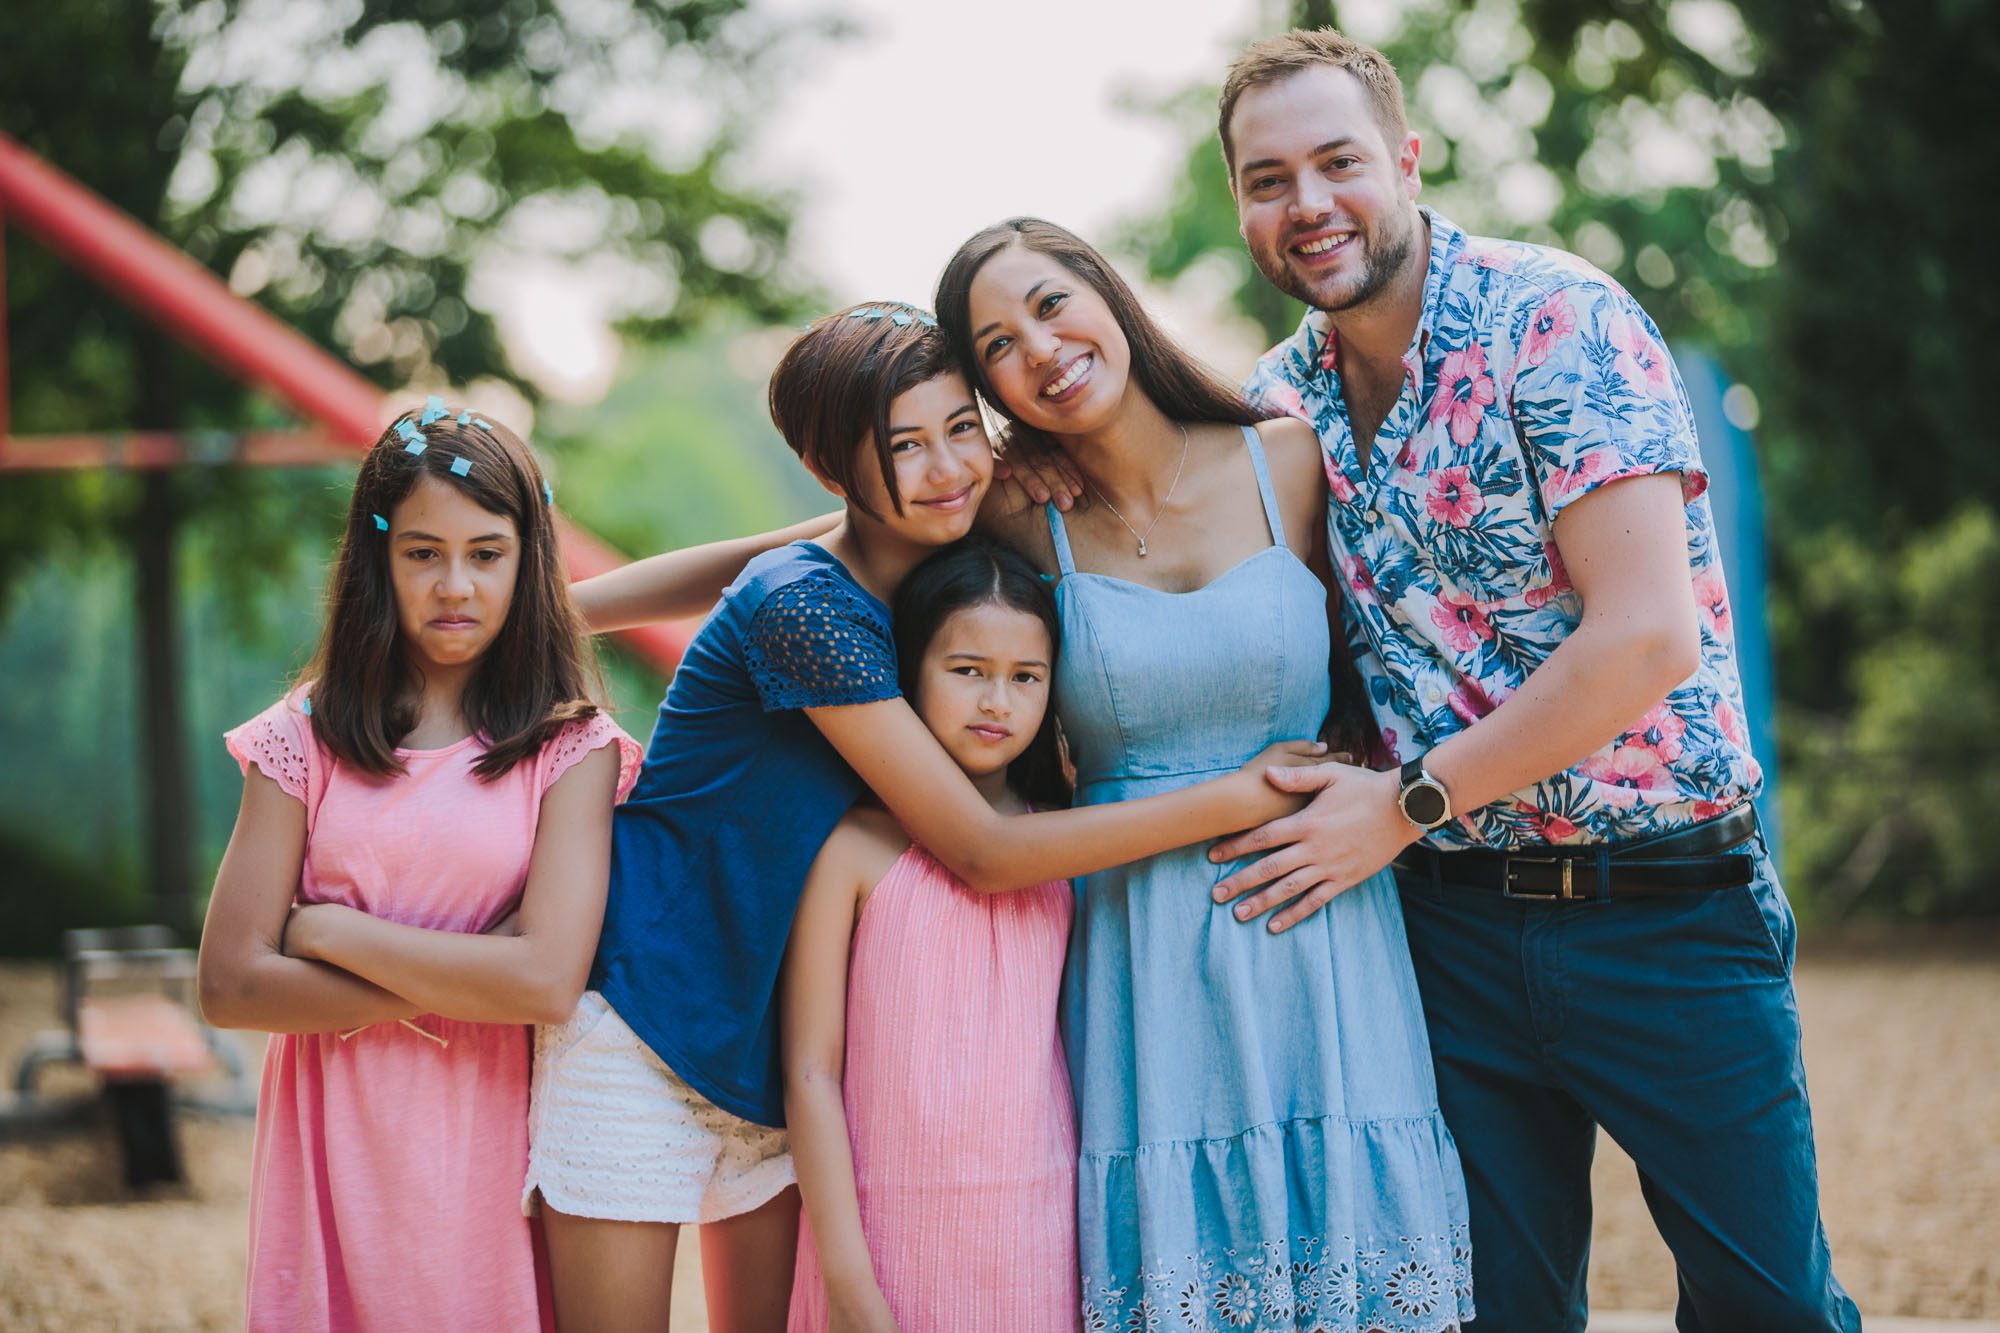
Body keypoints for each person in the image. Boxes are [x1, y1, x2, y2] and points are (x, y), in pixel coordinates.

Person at [1201, 29, 1856, 1332]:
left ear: (1407, 158)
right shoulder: (1278, 406)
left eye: (1338, 162)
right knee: (1490, 1311)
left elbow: (1645, 638)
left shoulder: (1553, 320)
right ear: (1240, 203)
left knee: (1766, 1307)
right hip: (1449, 932)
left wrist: (1400, 805)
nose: (1308, 203)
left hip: (1666, 905)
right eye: (1268, 178)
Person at [526, 304, 1322, 1332]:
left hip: (770, 1058)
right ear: (833, 467)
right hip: (650, 1017)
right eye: (905, 445)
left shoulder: (922, 573)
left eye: (962, 429)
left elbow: (740, 554)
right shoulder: (806, 605)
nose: (947, 467)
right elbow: (983, 850)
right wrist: (1232, 796)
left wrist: (551, 608)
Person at [937, 220, 1474, 1332]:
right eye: (995, 344)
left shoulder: (1287, 460)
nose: (1037, 348)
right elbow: (821, 553)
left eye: (1048, 303)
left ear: (1105, 290)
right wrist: (561, 603)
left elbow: (1396, 660)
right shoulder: (1011, 515)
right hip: (1141, 955)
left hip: (1325, 917)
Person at [196, 399, 642, 1332]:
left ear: (528, 560)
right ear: (379, 558)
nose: (455, 585)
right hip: (335, 1139)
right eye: (423, 553)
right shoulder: (303, 737)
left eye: (487, 553)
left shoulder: (572, 748)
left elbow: (547, 979)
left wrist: (333, 935)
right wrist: (477, 972)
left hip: (490, 1141)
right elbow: (233, 985)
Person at [783, 537, 1078, 1332]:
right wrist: (847, 1280)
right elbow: (811, 1070)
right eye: (967, 669)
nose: (996, 701)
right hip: (880, 1234)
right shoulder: (852, 846)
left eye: (1025, 677)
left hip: (1037, 1233)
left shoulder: (1069, 847)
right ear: (911, 668)